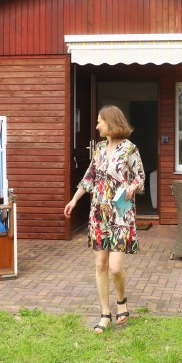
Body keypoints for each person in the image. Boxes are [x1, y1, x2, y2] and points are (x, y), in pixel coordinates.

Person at [64, 105, 145, 333]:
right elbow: (89, 177)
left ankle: (121, 301)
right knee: (100, 264)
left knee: (116, 268)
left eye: (99, 121)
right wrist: (74, 200)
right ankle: (105, 313)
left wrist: (130, 187)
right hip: (98, 213)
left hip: (121, 213)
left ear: (111, 123)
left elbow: (140, 178)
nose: (97, 125)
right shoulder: (99, 149)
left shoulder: (130, 149)